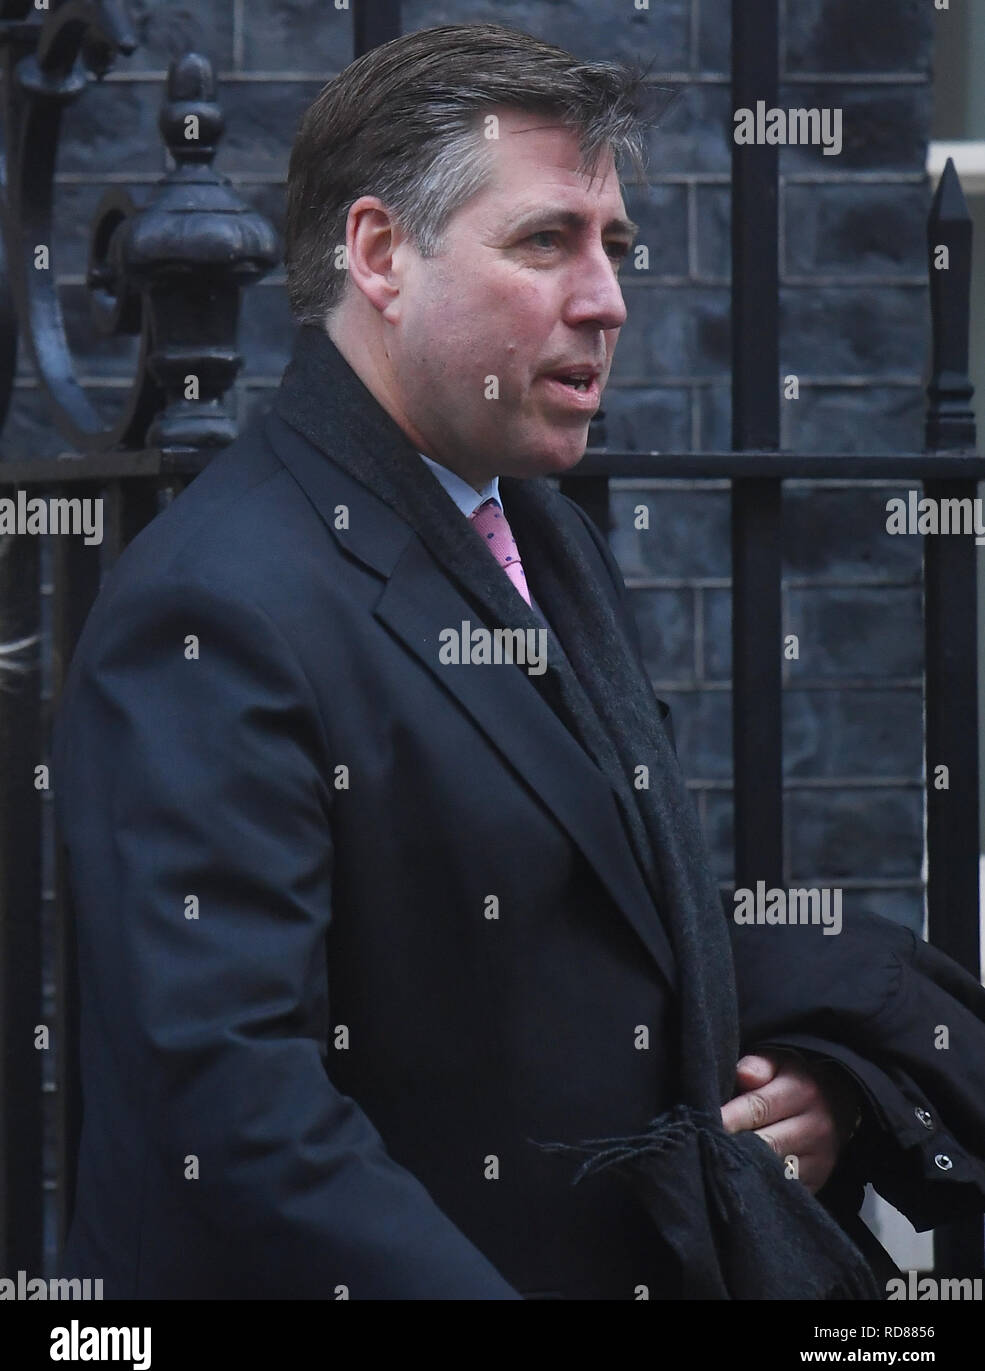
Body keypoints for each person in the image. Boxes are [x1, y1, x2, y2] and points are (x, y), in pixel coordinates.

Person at [53, 23, 985, 1300]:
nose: (604, 296)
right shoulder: (213, 611)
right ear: (380, 254)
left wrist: (820, 1081)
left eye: (614, 246)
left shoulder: (526, 524)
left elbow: (606, 918)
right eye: (546, 240)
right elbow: (238, 1121)